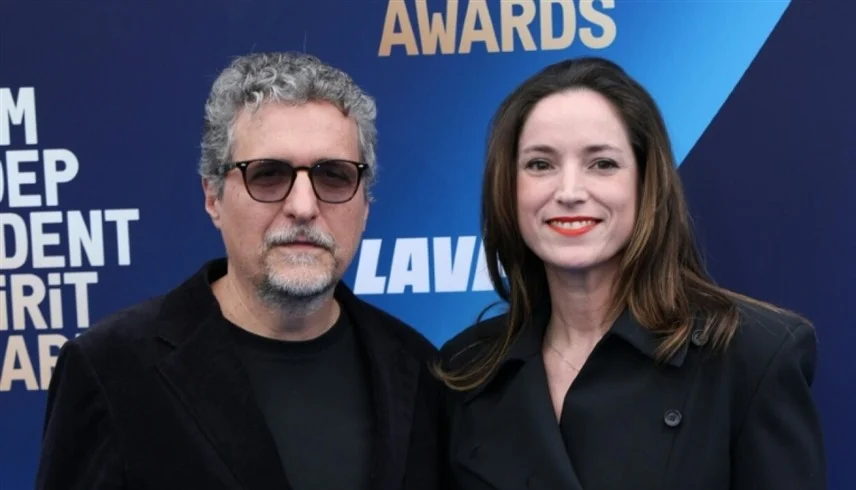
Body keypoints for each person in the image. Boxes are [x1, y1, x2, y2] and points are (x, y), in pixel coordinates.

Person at [35, 52, 444, 490]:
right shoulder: (110, 369)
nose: (303, 206)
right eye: (267, 174)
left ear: (365, 204)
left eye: (334, 176)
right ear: (213, 197)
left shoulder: (420, 369)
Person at [437, 57, 826, 490]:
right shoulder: (469, 368)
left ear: (646, 182)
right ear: (507, 187)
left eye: (602, 163)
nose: (569, 192)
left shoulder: (751, 356)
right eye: (540, 164)